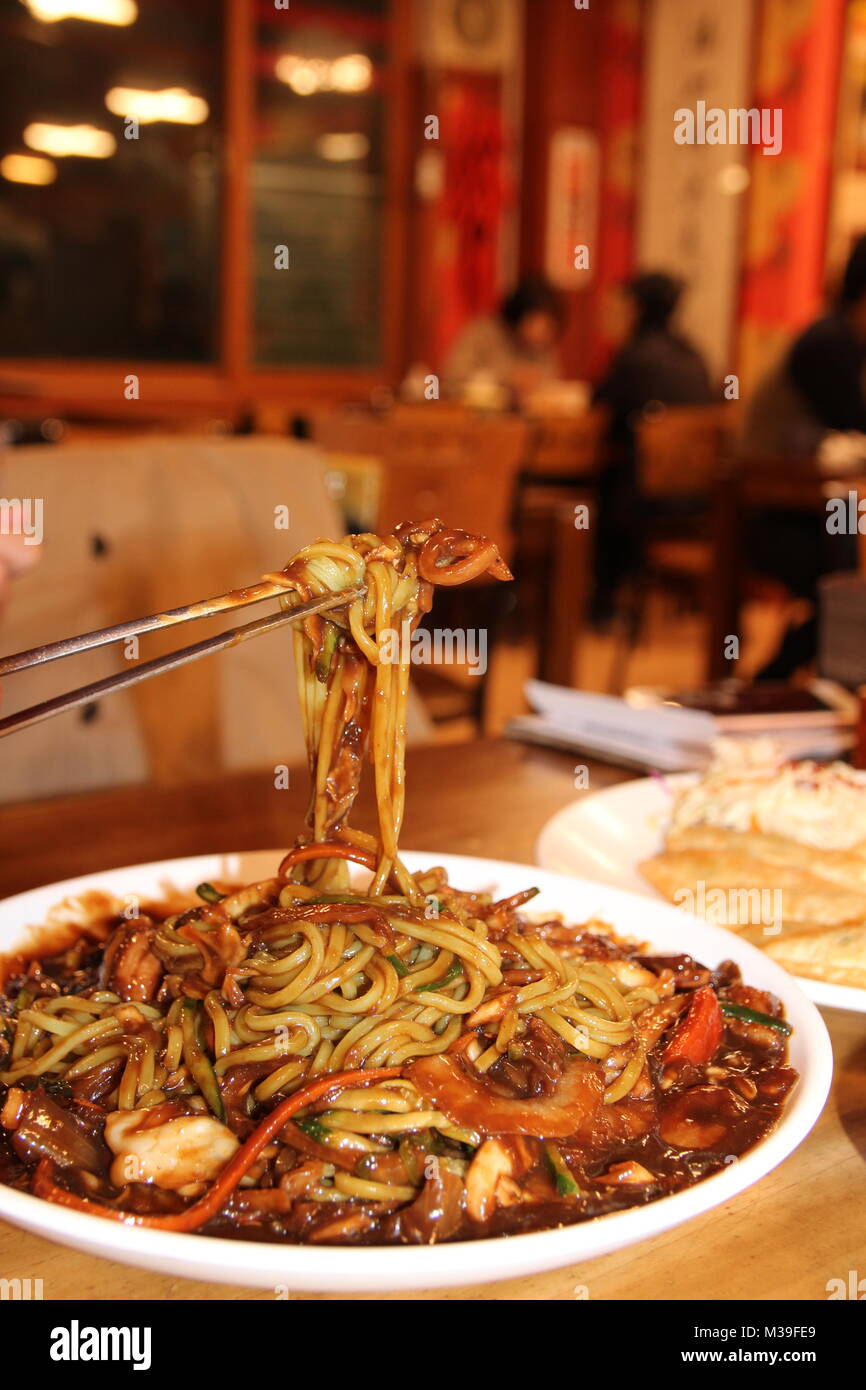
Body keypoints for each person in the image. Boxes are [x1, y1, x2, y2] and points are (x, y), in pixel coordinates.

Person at [738, 236, 866, 679]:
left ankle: (793, 680)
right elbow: (854, 423)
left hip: (818, 513)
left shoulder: (846, 339)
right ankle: (810, 684)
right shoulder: (827, 343)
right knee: (849, 580)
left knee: (852, 573)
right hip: (771, 518)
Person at [590, 272, 714, 625]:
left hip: (643, 500)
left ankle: (601, 601)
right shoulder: (693, 354)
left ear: (636, 310)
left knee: (600, 485)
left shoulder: (635, 357)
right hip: (698, 499)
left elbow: (602, 412)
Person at [442, 276, 564, 406]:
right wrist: (506, 377)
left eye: (547, 328)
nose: (540, 334)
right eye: (535, 323)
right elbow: (452, 377)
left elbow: (553, 382)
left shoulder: (542, 347)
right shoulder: (483, 334)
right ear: (519, 313)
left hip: (526, 421)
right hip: (475, 417)